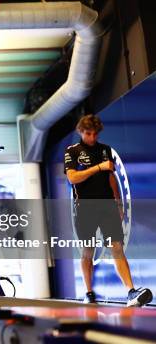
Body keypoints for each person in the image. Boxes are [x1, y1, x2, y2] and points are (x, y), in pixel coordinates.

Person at [64, 114, 152, 307]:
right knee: (88, 251)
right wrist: (98, 167)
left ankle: (131, 292)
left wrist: (118, 202)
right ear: (81, 131)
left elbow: (111, 177)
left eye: (95, 134)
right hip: (85, 208)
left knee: (117, 247)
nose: (92, 137)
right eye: (88, 133)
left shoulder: (105, 150)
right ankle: (88, 292)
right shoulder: (73, 151)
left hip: (107, 206)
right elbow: (73, 178)